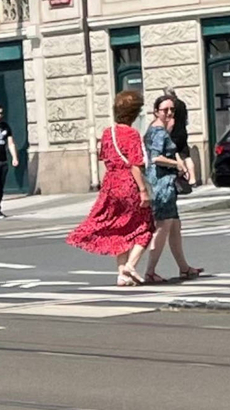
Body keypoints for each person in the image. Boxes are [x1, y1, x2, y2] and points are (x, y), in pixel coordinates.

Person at [67, 89, 155, 285]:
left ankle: (122, 275)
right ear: (134, 113)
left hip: (110, 184)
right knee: (145, 226)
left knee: (119, 228)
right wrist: (143, 190)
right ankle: (131, 265)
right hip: (128, 183)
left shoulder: (108, 133)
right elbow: (135, 163)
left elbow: (103, 157)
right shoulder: (131, 133)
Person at [135, 95, 203, 282]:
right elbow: (156, 157)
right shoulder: (159, 132)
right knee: (163, 227)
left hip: (163, 180)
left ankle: (184, 267)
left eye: (172, 110)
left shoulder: (155, 130)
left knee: (174, 227)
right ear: (156, 111)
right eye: (165, 110)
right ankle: (150, 271)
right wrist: (177, 165)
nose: (169, 113)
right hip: (161, 182)